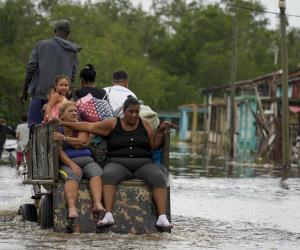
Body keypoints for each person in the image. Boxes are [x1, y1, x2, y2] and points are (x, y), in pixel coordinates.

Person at [61, 96, 176, 228]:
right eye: (130, 111)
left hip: (143, 163)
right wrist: (64, 123)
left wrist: (160, 131)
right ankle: (108, 215)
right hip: (118, 162)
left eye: (136, 112)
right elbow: (89, 126)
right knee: (109, 174)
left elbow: (154, 145)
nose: (134, 115)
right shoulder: (113, 123)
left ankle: (162, 217)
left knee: (158, 176)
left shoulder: (145, 123)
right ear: (124, 111)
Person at [20, 19, 80, 128]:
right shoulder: (73, 50)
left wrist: (24, 91)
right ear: (68, 33)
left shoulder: (41, 45)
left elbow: (31, 70)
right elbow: (73, 76)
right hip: (61, 101)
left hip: (39, 94)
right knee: (58, 131)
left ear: (54, 31)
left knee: (35, 129)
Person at [53, 101, 105, 219]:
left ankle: (97, 203)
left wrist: (65, 139)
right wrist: (72, 164)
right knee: (72, 175)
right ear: (62, 115)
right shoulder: (58, 128)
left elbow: (81, 142)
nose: (74, 113)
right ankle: (72, 208)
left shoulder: (81, 126)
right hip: (67, 162)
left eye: (75, 111)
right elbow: (59, 151)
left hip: (87, 160)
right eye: (70, 111)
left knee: (96, 172)